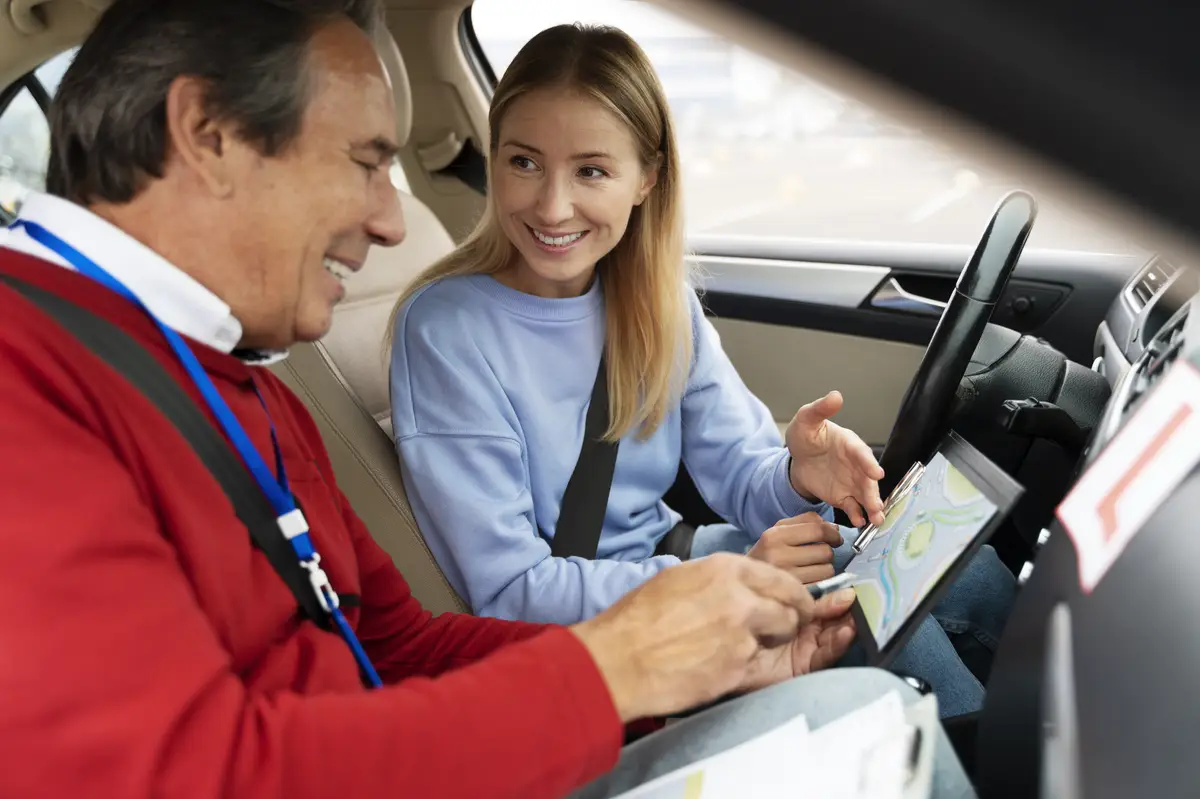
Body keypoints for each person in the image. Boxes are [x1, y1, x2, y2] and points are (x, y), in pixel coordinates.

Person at [0, 0, 977, 797]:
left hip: (439, 753)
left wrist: (689, 669)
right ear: (209, 135)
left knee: (876, 703)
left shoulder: (238, 381)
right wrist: (620, 667)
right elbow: (190, 772)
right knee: (886, 733)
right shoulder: (28, 379)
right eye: (367, 162)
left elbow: (400, 642)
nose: (393, 221)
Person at [389, 23, 1017, 718]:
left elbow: (741, 475)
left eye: (591, 170)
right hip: (612, 642)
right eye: (524, 162)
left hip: (681, 566)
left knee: (970, 574)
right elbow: (510, 590)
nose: (552, 205)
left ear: (645, 179)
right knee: (896, 639)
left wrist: (796, 474)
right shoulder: (448, 331)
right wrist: (728, 581)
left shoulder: (659, 305)